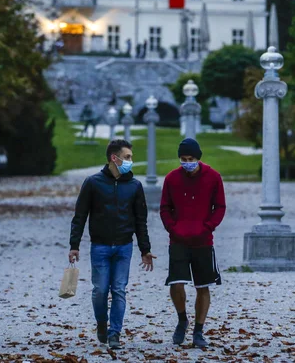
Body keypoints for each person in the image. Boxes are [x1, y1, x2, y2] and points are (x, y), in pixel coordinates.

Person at [68, 139, 156, 349]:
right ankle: (101, 323)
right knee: (100, 290)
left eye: (131, 158)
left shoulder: (135, 186)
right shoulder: (93, 183)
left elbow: (140, 220)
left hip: (124, 247)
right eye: (127, 157)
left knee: (118, 290)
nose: (130, 161)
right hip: (100, 246)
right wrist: (74, 245)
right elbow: (79, 216)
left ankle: (114, 332)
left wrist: (145, 249)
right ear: (113, 158)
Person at [159, 138, 226, 348]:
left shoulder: (213, 177)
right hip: (178, 240)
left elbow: (220, 206)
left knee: (203, 286)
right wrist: (172, 227)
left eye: (190, 159)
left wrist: (208, 226)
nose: (186, 162)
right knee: (176, 282)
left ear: (198, 158)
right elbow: (164, 207)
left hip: (203, 241)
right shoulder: (171, 179)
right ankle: (182, 320)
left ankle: (198, 330)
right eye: (183, 159)